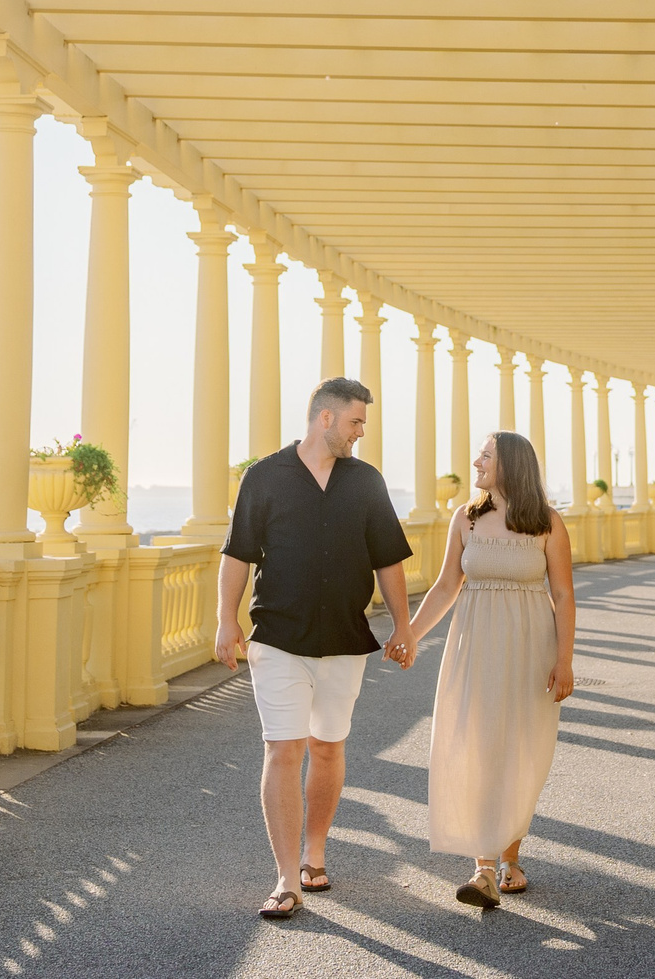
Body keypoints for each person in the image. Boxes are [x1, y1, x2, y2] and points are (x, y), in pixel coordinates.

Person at [216, 377, 414, 922]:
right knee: (283, 748)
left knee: (328, 746)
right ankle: (285, 879)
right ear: (325, 419)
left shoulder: (365, 481)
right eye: (355, 423)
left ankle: (315, 851)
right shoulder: (264, 477)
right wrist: (224, 621)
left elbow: (389, 559)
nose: (359, 434)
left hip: (346, 640)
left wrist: (404, 626)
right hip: (278, 637)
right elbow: (237, 554)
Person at [386, 429, 577, 910]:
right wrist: (409, 632)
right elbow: (447, 586)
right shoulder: (465, 519)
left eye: (486, 455)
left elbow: (562, 595)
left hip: (530, 651)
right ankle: (485, 868)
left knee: (518, 751)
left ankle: (509, 857)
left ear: (511, 464)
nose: (476, 462)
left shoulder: (547, 523)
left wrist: (565, 659)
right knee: (477, 745)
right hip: (473, 648)